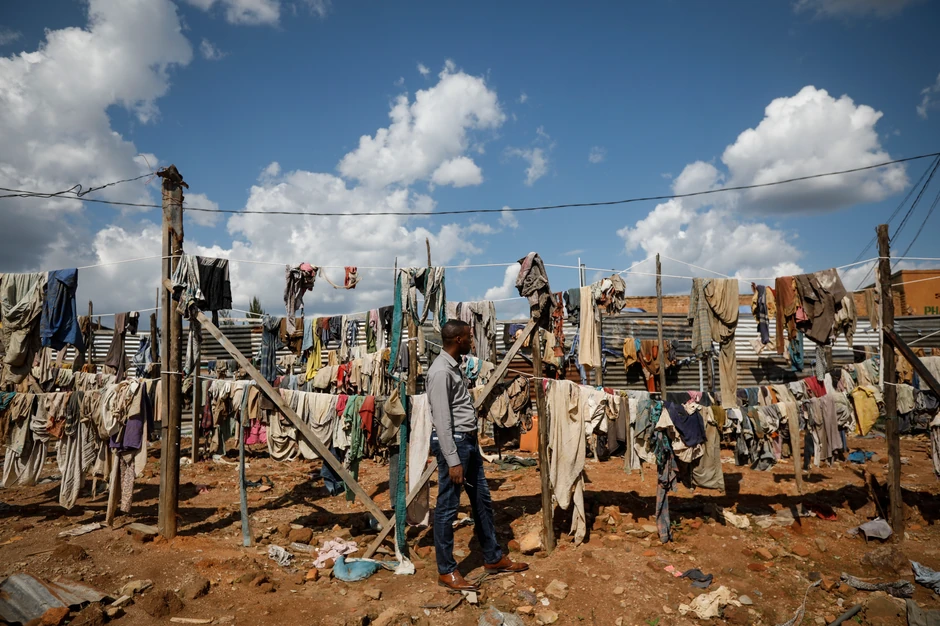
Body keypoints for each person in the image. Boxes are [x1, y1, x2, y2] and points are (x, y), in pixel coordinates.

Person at [427, 319, 528, 592]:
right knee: (447, 508)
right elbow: (441, 420)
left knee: (482, 500)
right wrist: (453, 460)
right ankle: (446, 571)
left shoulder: (453, 367)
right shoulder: (440, 372)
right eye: (469, 337)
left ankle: (493, 557)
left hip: (468, 442)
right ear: (458, 339)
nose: (472, 341)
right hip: (456, 445)